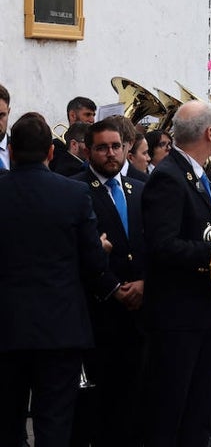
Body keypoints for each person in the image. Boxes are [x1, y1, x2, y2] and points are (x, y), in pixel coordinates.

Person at [0, 112, 113, 447]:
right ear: (51, 152)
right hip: (60, 329)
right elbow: (93, 263)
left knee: (7, 423)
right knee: (54, 424)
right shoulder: (74, 193)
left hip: (6, 328)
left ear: (11, 152)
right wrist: (102, 247)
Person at [141, 100, 211, 447]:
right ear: (210, 133)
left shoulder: (190, 172)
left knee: (197, 413)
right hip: (178, 318)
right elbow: (163, 245)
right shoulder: (170, 177)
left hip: (200, 313)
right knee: (172, 413)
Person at [72, 117, 147, 447]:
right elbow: (76, 253)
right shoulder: (75, 190)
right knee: (103, 407)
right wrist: (113, 288)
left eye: (116, 146)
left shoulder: (141, 189)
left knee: (137, 402)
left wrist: (146, 282)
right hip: (101, 312)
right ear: (88, 151)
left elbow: (153, 244)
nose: (111, 154)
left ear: (126, 148)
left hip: (142, 310)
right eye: (102, 148)